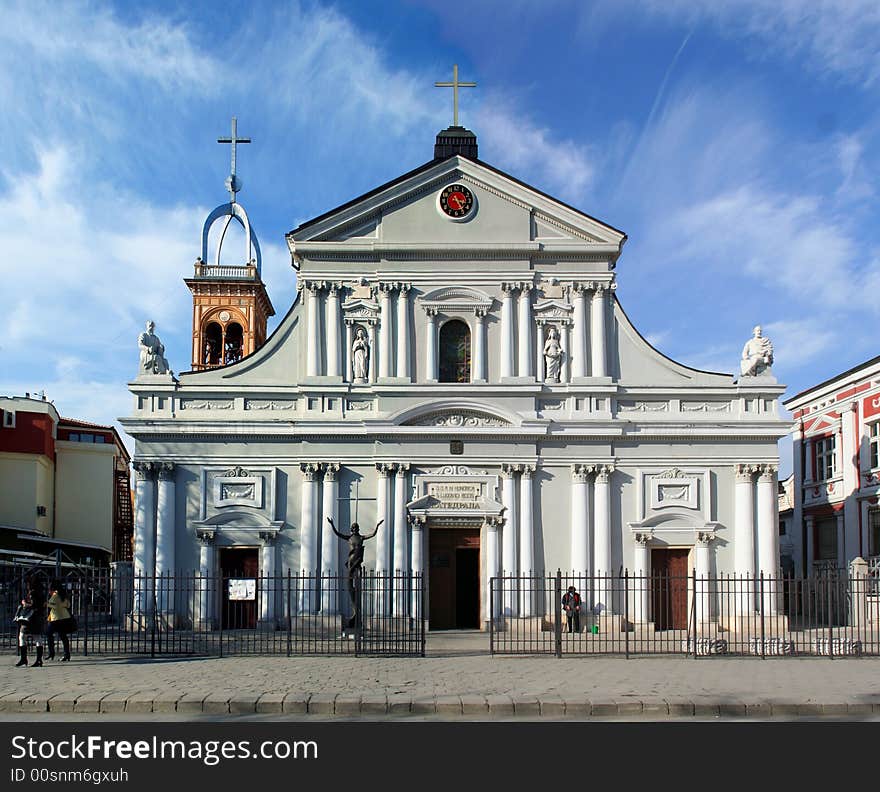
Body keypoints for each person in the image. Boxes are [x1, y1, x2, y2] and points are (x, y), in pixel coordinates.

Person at [14, 579, 46, 667]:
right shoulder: (42, 594)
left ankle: (24, 659)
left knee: (22, 636)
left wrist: (24, 603)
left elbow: (33, 605)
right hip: (38, 617)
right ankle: (39, 660)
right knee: (37, 638)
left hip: (29, 618)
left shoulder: (32, 593)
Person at [46, 580, 73, 662]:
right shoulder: (63, 594)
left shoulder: (55, 595)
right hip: (64, 617)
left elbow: (54, 605)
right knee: (63, 636)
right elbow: (68, 605)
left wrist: (46, 604)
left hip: (56, 618)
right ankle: (66, 654)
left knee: (49, 634)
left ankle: (51, 653)